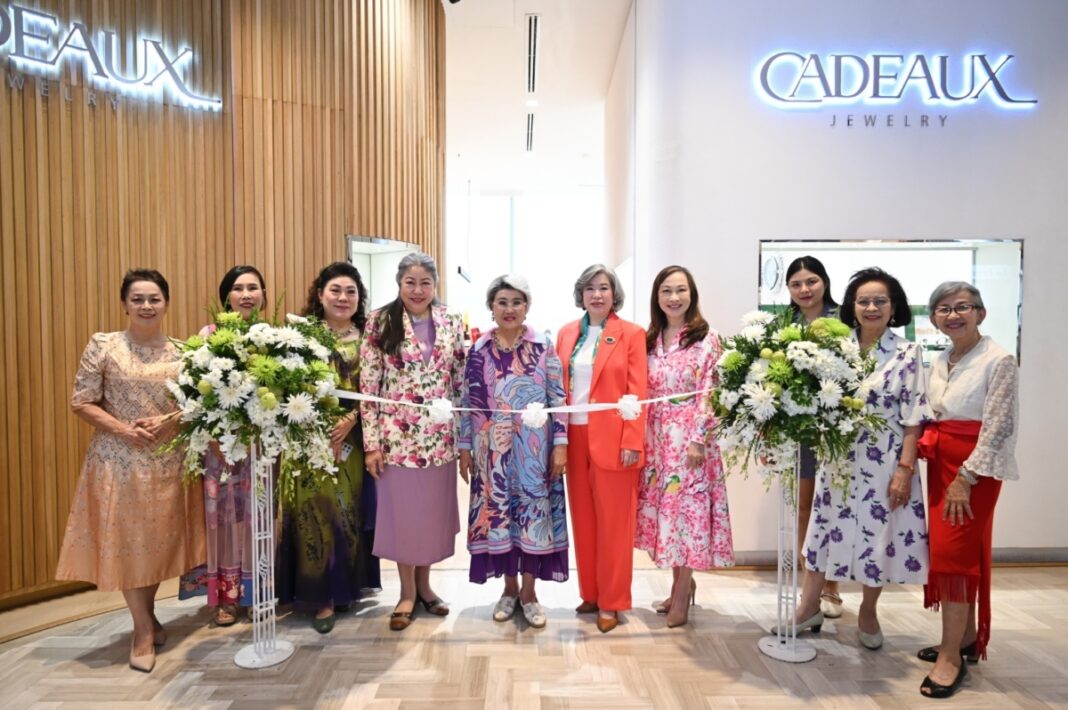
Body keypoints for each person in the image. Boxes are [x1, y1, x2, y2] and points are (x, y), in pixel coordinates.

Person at [56, 269, 206, 673]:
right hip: (117, 461)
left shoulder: (184, 353)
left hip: (167, 462)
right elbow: (81, 401)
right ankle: (142, 630)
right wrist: (124, 429)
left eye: (154, 298)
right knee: (128, 543)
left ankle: (149, 618)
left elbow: (195, 406)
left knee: (153, 546)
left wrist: (168, 420)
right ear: (125, 304)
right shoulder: (104, 345)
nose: (146, 306)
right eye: (137, 299)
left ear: (166, 304)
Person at [784, 267, 930, 650]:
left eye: (880, 301)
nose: (871, 307)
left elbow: (914, 419)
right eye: (863, 301)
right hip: (838, 459)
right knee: (822, 529)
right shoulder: (836, 348)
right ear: (852, 306)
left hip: (885, 461)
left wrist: (905, 469)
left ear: (893, 306)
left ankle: (868, 610)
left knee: (877, 537)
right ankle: (809, 606)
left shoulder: (907, 353)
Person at [916, 282, 1018, 699]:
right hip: (941, 464)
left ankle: (950, 658)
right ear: (934, 318)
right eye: (943, 309)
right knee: (956, 554)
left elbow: (998, 427)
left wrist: (966, 477)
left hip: (971, 471)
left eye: (962, 307)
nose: (953, 315)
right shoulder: (942, 358)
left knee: (954, 558)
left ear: (981, 312)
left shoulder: (1000, 359)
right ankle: (966, 638)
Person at [360, 252, 465, 631]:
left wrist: (464, 439)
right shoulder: (379, 322)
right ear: (399, 284)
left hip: (439, 440)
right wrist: (372, 444)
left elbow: (460, 381)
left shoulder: (452, 321)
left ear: (435, 285)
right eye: (410, 282)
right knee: (403, 518)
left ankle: (425, 587)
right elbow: (368, 388)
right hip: (396, 441)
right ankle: (406, 593)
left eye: (425, 283)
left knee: (431, 517)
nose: (418, 290)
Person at [459, 275, 569, 628]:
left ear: (527, 307)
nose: (509, 309)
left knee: (532, 519)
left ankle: (530, 594)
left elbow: (558, 399)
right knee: (500, 518)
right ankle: (509, 590)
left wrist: (561, 445)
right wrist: (465, 447)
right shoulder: (478, 349)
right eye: (502, 302)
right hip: (491, 453)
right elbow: (468, 401)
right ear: (491, 307)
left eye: (516, 302)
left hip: (534, 454)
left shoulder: (543, 346)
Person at [276, 262, 376, 633]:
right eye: (335, 290)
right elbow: (285, 387)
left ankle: (343, 588)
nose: (343, 298)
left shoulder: (368, 339)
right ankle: (319, 597)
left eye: (351, 292)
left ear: (359, 299)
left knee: (346, 513)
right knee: (312, 514)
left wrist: (350, 420)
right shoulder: (300, 338)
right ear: (320, 295)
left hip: (352, 440)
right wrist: (316, 427)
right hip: (307, 439)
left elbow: (376, 389)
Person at [636, 266, 734, 629]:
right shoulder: (650, 339)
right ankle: (680, 582)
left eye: (680, 290)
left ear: (692, 294)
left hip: (691, 443)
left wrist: (698, 439)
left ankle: (681, 593)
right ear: (657, 297)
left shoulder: (707, 339)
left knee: (688, 516)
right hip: (658, 441)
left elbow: (711, 392)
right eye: (666, 290)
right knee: (670, 516)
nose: (674, 298)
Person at [556, 264, 648, 633]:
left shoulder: (631, 334)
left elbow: (638, 391)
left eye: (604, 287)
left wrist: (632, 439)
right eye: (590, 288)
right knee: (584, 521)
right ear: (581, 294)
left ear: (614, 294)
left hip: (614, 439)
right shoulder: (566, 333)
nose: (597, 294)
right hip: (573, 438)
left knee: (614, 526)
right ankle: (591, 594)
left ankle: (612, 600)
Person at [182, 265, 267, 626]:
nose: (246, 294)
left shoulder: (271, 339)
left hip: (261, 448)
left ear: (263, 295)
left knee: (259, 518)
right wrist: (215, 436)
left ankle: (258, 593)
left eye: (253, 287)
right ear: (226, 297)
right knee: (223, 520)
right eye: (238, 288)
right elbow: (192, 395)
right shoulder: (208, 337)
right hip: (218, 449)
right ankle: (226, 598)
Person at [785, 256, 844, 619]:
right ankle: (809, 588)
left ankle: (832, 587)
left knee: (833, 506)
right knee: (804, 508)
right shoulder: (784, 324)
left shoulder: (843, 320)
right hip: (798, 428)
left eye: (811, 281)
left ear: (824, 282)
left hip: (836, 428)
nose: (804, 289)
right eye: (796, 284)